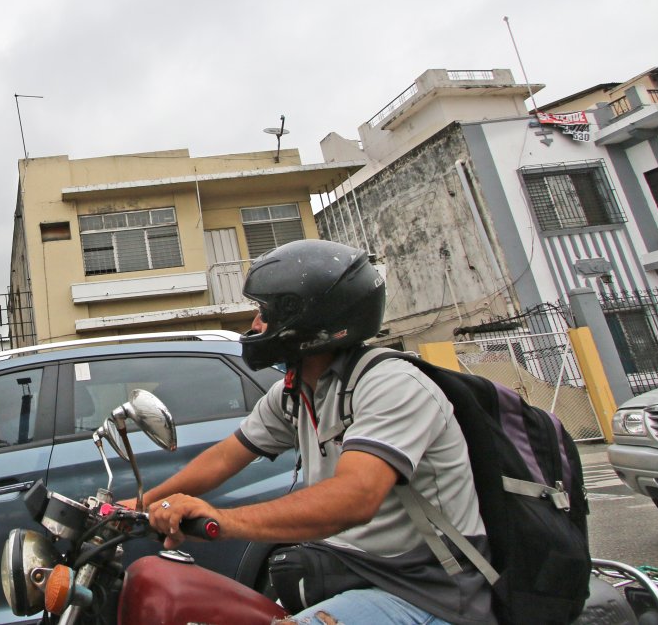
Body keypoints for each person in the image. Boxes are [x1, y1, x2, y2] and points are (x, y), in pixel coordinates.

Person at [138, 239, 494, 625]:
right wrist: (140, 505)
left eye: (264, 313)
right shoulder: (295, 392)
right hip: (356, 575)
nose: (255, 325)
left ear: (308, 319)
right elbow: (227, 455)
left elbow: (355, 497)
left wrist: (221, 521)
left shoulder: (392, 384)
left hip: (429, 593)